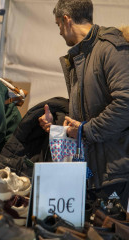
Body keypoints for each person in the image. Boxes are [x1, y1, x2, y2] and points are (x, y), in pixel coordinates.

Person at [39, 0, 129, 208]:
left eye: (58, 25)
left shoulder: (111, 48)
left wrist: (86, 131)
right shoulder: (82, 55)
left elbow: (125, 103)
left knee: (107, 229)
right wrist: (58, 124)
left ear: (66, 20)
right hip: (91, 168)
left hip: (113, 169)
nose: (60, 32)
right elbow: (89, 110)